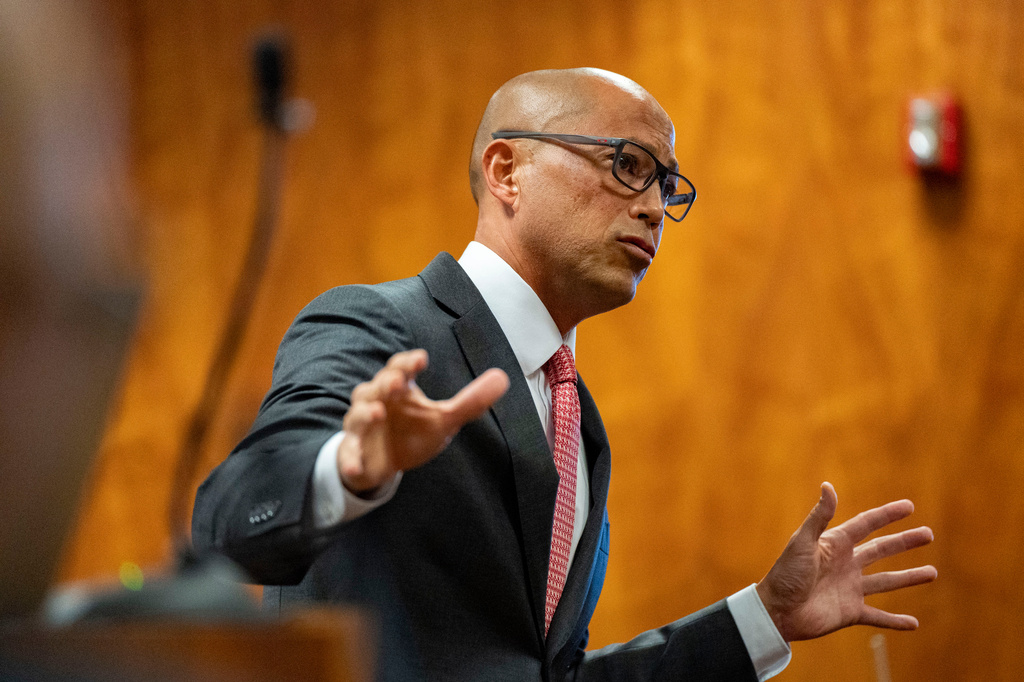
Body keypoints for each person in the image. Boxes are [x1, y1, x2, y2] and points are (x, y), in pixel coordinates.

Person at [192, 68, 936, 681]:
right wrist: (348, 467)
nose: (652, 208)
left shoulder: (579, 421)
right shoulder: (380, 326)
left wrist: (763, 618)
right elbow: (232, 520)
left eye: (666, 187)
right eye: (629, 166)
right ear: (507, 170)